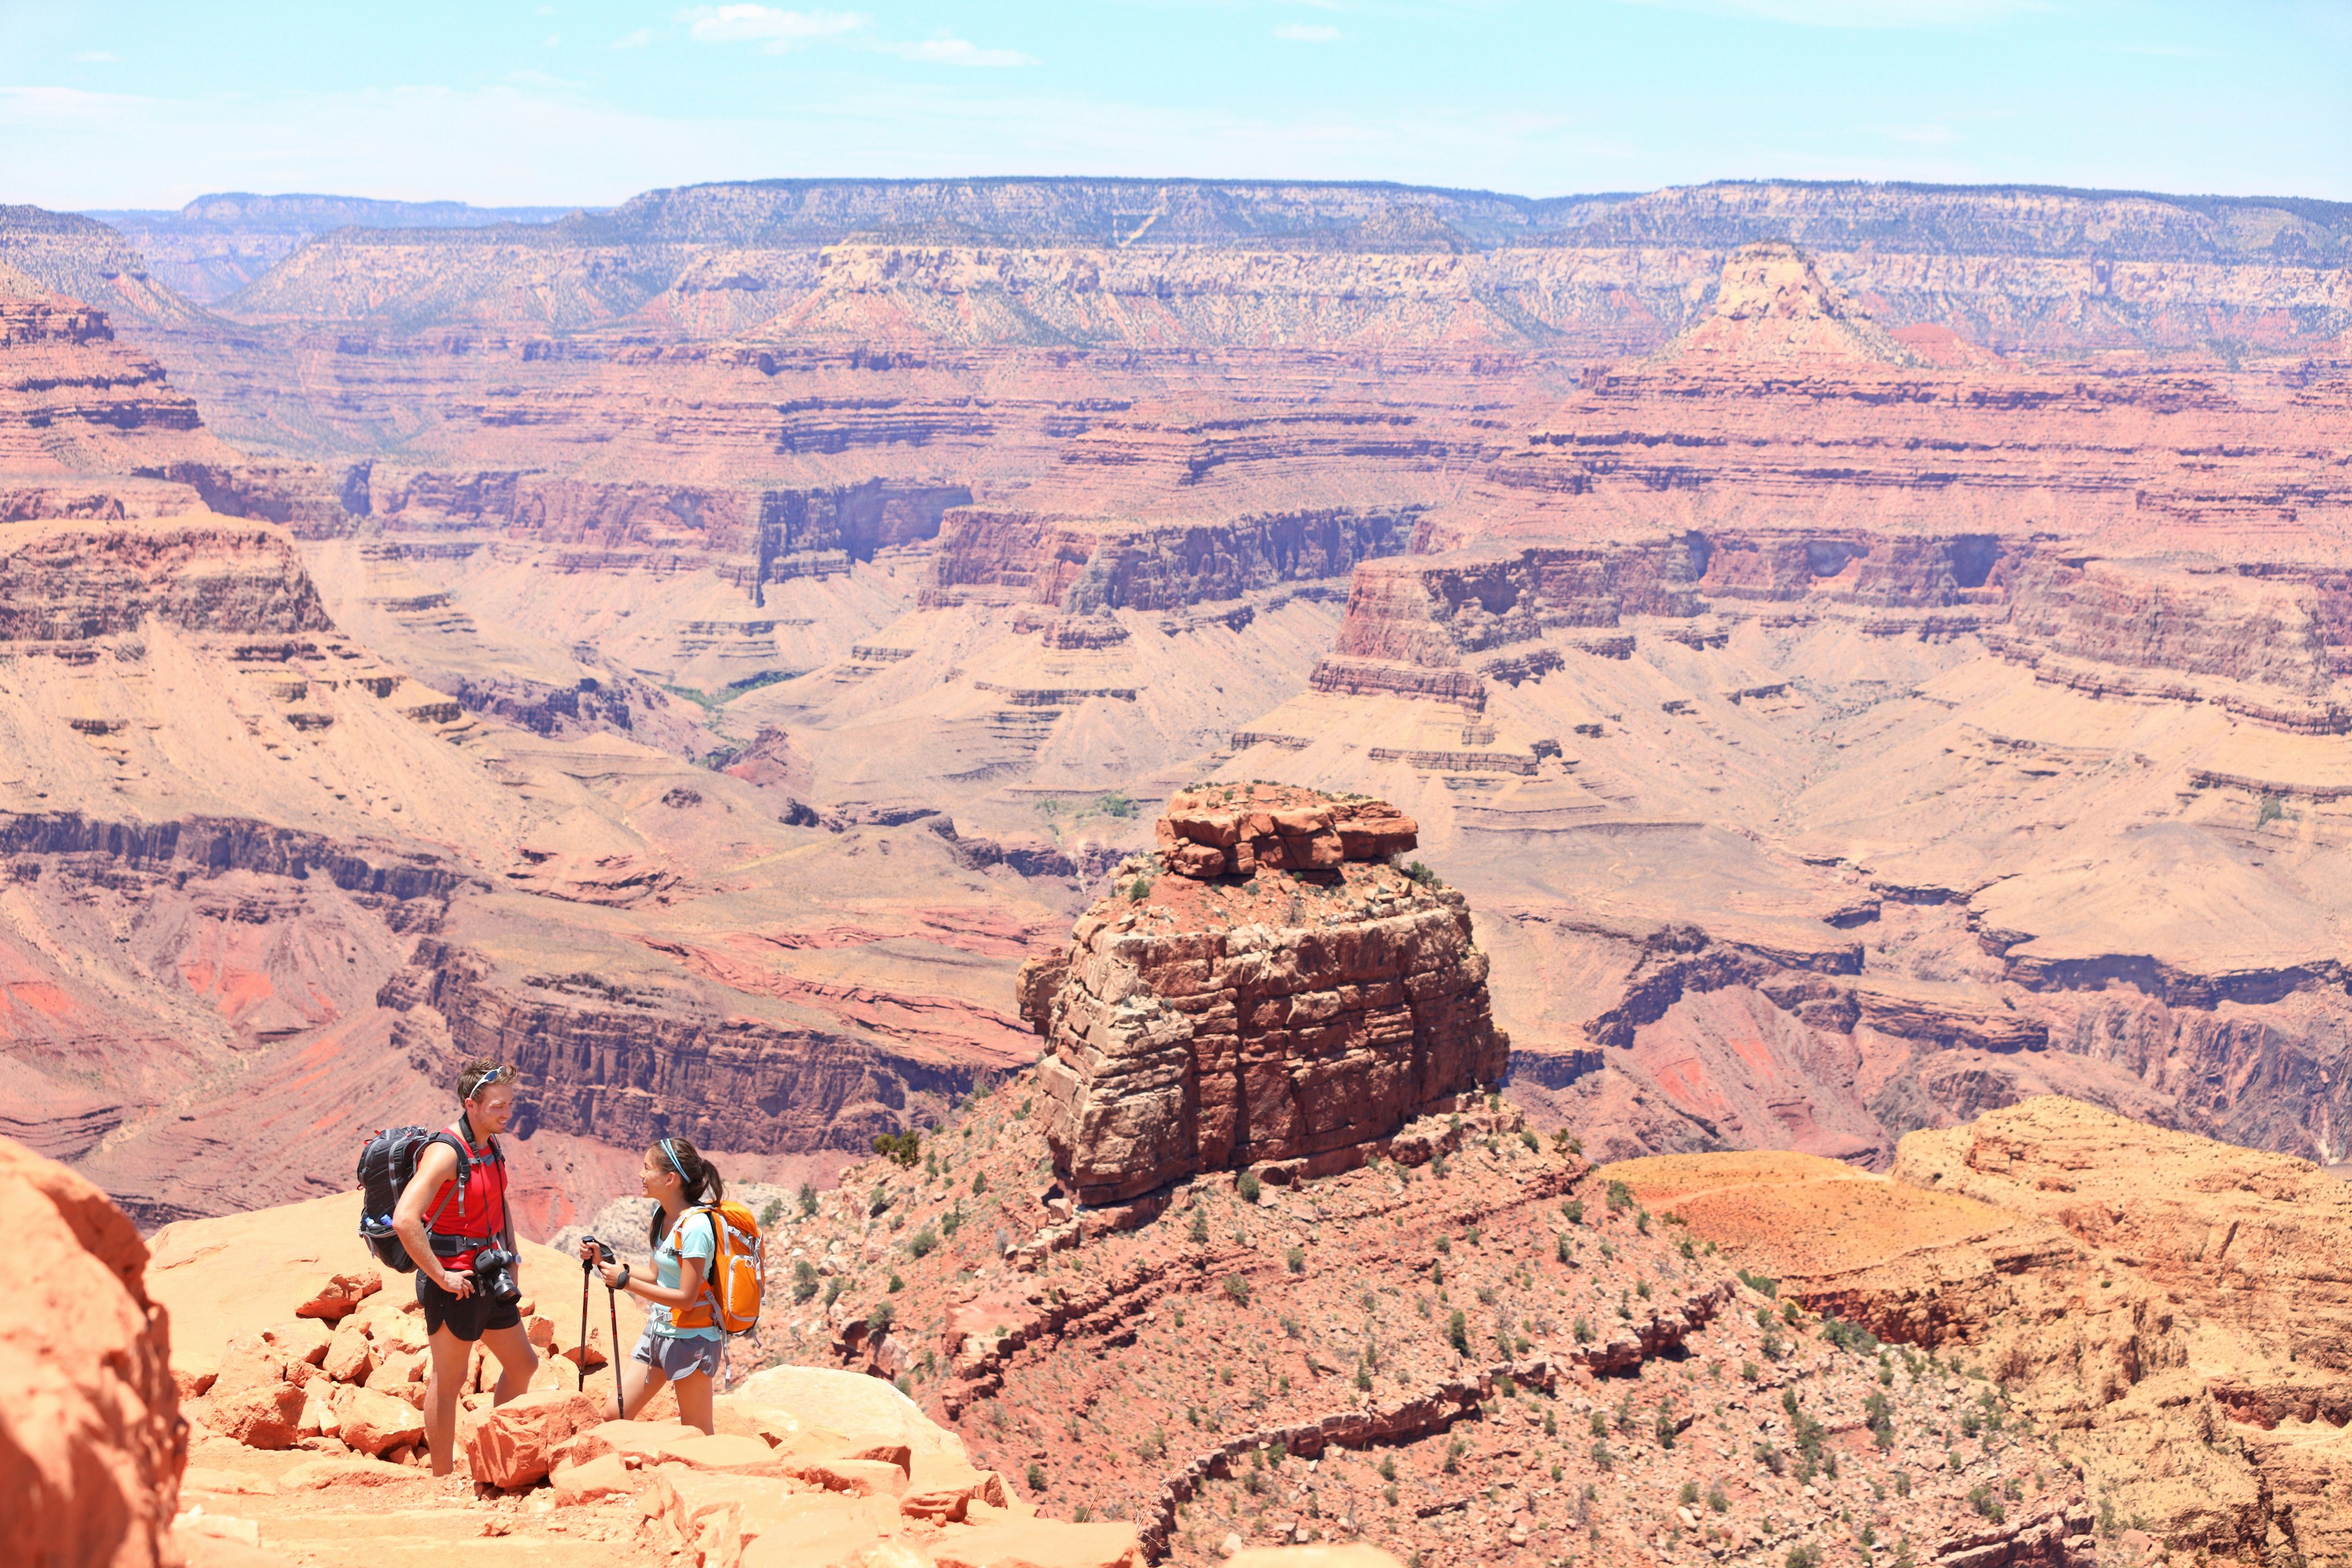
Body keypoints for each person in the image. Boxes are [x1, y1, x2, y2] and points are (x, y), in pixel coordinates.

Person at [390, 1060, 540, 1476]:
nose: (507, 1113)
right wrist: (441, 1276)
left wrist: (512, 1256)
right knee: (449, 1379)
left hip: (492, 1275)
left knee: (524, 1365)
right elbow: (405, 1219)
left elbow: (498, 1203)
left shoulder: (489, 1143)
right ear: (470, 1104)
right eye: (498, 1106)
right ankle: (442, 1477)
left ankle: (500, 1459)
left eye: (510, 1104)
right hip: (455, 1283)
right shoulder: (445, 1152)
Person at [581, 1136, 727, 1434]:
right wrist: (607, 1262)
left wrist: (625, 1283)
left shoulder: (697, 1227)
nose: (640, 1175)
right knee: (613, 1415)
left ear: (670, 1178)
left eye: (647, 1168)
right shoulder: (662, 1216)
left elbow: (686, 1298)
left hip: (692, 1338)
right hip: (658, 1332)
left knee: (698, 1433)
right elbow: (655, 1275)